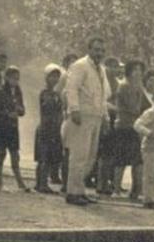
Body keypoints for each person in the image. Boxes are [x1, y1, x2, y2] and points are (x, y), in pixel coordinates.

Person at [63, 37, 110, 206]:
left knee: (91, 156)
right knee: (79, 155)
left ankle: (80, 190)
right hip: (81, 116)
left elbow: (103, 95)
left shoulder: (101, 69)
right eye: (96, 49)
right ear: (89, 49)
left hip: (96, 116)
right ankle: (72, 192)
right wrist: (74, 109)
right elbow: (71, 88)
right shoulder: (80, 65)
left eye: (102, 50)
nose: (99, 53)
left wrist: (105, 117)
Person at [0, 66, 30, 192]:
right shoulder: (0, 91)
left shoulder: (17, 90)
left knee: (15, 154)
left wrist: (20, 111)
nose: (15, 81)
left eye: (17, 79)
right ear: (6, 78)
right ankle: (0, 184)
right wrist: (7, 114)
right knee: (2, 153)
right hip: (1, 126)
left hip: (13, 126)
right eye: (13, 78)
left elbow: (22, 109)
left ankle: (20, 184)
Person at [109, 60, 147, 199]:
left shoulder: (138, 87)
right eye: (135, 69)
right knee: (121, 160)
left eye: (140, 70)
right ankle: (116, 190)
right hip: (124, 126)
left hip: (134, 126)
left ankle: (136, 191)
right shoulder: (124, 86)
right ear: (129, 71)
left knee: (137, 160)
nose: (138, 72)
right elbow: (133, 107)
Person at [34, 64, 64, 194]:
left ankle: (43, 183)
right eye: (52, 76)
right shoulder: (45, 93)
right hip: (46, 127)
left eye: (57, 76)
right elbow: (48, 109)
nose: (55, 79)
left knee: (51, 157)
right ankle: (41, 184)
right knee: (43, 158)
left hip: (55, 128)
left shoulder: (56, 93)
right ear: (46, 77)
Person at [51, 52, 78, 188]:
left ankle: (68, 181)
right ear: (66, 64)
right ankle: (57, 176)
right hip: (63, 114)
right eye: (70, 62)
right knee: (61, 147)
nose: (73, 65)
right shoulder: (64, 76)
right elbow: (57, 93)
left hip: (74, 115)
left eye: (75, 62)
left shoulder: (78, 77)